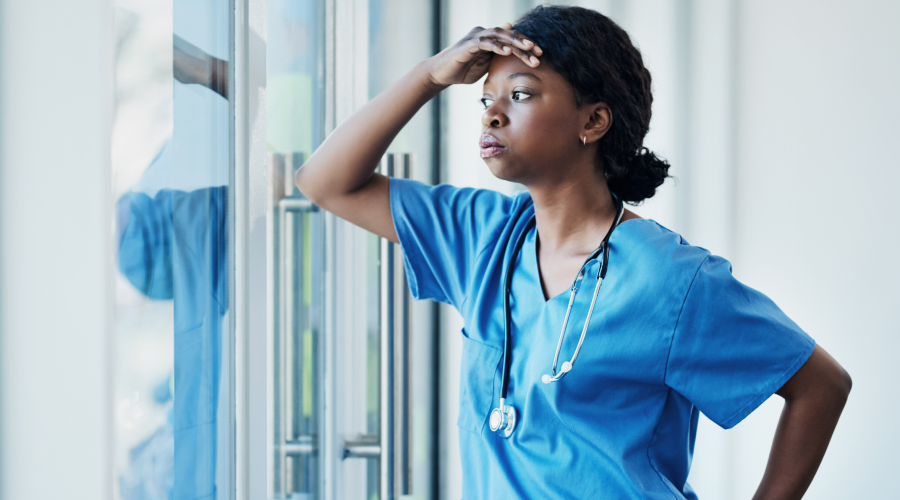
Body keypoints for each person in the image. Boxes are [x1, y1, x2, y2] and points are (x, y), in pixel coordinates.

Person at [295, 5, 851, 499]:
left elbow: (820, 386)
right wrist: (430, 76)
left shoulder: (672, 280)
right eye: (487, 99)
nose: (492, 114)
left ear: (592, 121)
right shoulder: (479, 235)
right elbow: (326, 182)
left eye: (520, 95)